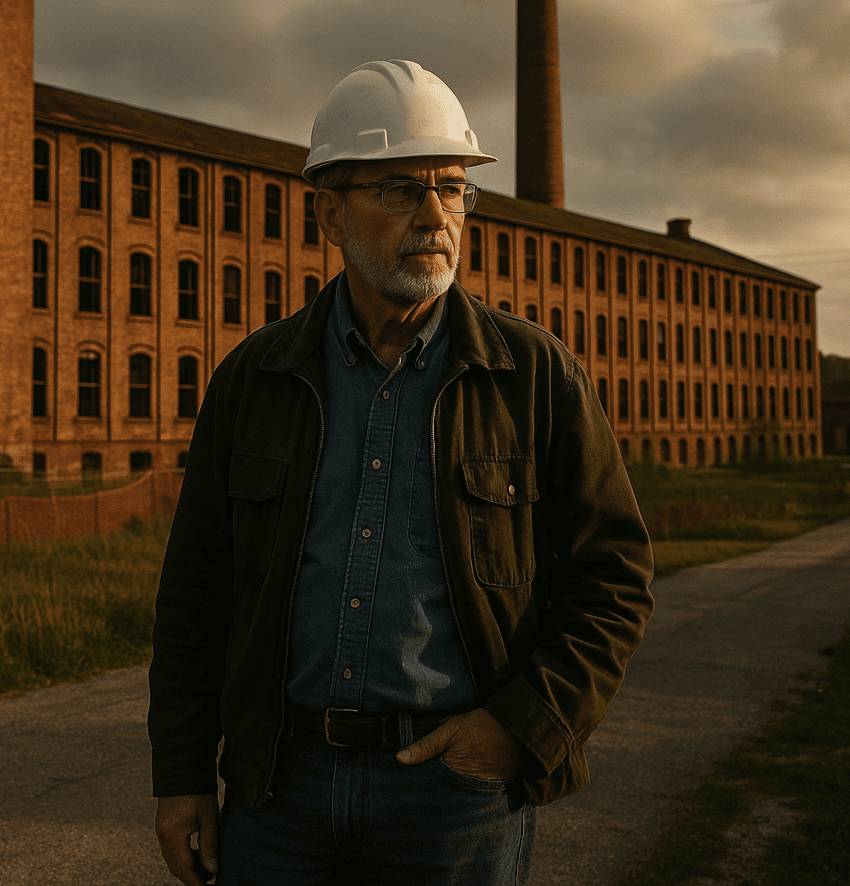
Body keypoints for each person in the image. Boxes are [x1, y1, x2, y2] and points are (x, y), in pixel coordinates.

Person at [148, 60, 654, 885]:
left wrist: (522, 726)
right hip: (280, 791)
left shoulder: (532, 376)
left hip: (452, 796)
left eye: (451, 189)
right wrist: (179, 777)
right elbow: (195, 593)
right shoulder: (257, 377)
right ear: (329, 213)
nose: (434, 216)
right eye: (398, 190)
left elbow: (616, 577)